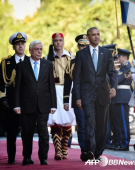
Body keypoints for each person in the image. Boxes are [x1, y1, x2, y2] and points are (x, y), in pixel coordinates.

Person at [74, 27, 118, 161]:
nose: (96, 37)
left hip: (103, 94)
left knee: (101, 125)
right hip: (87, 95)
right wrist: (78, 97)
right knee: (89, 123)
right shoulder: (81, 54)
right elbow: (77, 78)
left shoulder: (106, 53)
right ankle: (91, 151)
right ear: (88, 37)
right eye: (93, 35)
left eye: (98, 34)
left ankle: (98, 151)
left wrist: (114, 87)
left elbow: (112, 73)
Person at [14, 40, 57, 165]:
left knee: (44, 133)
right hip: (27, 104)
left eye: (41, 49)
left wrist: (53, 104)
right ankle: (27, 157)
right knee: (27, 132)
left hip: (44, 104)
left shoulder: (48, 64)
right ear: (30, 50)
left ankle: (43, 157)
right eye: (37, 49)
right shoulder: (22, 65)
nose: (39, 51)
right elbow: (18, 88)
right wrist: (17, 105)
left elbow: (51, 86)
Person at [0, 32, 29, 164]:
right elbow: (1, 82)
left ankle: (27, 157)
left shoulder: (30, 61)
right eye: (17, 44)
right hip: (11, 102)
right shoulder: (6, 63)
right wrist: (3, 98)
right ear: (13, 47)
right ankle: (11, 157)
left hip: (28, 101)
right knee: (11, 132)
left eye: (22, 44)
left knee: (27, 132)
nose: (20, 46)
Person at [46, 32, 75, 160]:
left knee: (67, 119)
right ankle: (57, 149)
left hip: (68, 90)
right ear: (53, 42)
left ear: (63, 41)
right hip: (54, 90)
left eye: (60, 40)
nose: (58, 43)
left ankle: (64, 147)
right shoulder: (47, 58)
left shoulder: (71, 57)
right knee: (55, 119)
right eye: (56, 40)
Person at [63, 34, 89, 155]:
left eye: (86, 46)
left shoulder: (94, 60)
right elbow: (67, 82)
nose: (84, 48)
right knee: (82, 125)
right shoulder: (71, 62)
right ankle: (84, 150)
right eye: (82, 46)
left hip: (92, 97)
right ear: (78, 46)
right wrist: (66, 100)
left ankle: (93, 149)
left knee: (92, 125)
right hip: (78, 97)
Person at [110, 48, 132, 151]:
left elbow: (117, 80)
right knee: (117, 122)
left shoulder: (127, 67)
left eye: (119, 56)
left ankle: (125, 142)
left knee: (123, 122)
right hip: (118, 97)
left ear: (125, 57)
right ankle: (119, 141)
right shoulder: (122, 68)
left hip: (123, 96)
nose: (118, 58)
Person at [102, 44, 117, 150]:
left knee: (106, 120)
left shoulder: (111, 65)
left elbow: (114, 75)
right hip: (101, 93)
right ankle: (104, 140)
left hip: (107, 94)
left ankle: (106, 140)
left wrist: (113, 88)